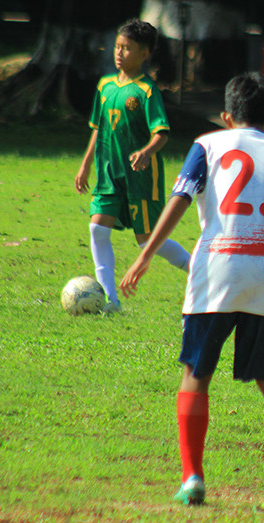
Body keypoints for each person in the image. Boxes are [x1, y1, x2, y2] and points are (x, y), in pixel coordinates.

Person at [118, 72, 264, 511]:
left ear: (227, 115)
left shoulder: (208, 145)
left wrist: (146, 254)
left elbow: (181, 199)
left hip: (218, 267)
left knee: (195, 374)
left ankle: (192, 478)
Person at [74, 19, 190, 313]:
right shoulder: (105, 85)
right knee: (98, 229)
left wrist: (147, 152)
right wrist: (86, 165)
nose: (119, 53)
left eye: (127, 48)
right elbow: (98, 129)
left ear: (145, 53)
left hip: (140, 177)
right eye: (117, 46)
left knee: (147, 241)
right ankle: (111, 301)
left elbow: (161, 132)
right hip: (108, 174)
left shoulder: (147, 91)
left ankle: (199, 269)